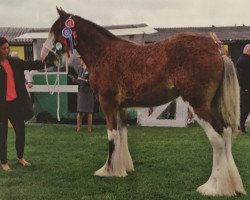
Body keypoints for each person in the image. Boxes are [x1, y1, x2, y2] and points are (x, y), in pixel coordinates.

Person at [0, 37, 46, 171]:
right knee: (2, 135)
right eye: (3, 48)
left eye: (7, 47)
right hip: (2, 106)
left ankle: (20, 157)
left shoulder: (14, 61)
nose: (6, 50)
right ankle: (4, 162)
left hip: (15, 104)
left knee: (21, 132)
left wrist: (47, 58)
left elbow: (33, 64)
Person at [75, 57, 94, 132]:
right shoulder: (80, 69)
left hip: (88, 92)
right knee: (79, 111)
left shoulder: (90, 68)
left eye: (81, 59)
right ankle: (78, 128)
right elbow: (79, 79)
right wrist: (76, 80)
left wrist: (84, 80)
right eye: (80, 59)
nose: (80, 60)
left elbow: (92, 81)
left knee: (89, 111)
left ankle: (89, 128)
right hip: (81, 91)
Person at [235, 44, 250, 133]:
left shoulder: (243, 59)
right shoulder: (244, 60)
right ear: (248, 50)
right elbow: (242, 76)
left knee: (244, 108)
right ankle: (240, 126)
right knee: (245, 108)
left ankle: (240, 126)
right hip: (245, 88)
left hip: (245, 88)